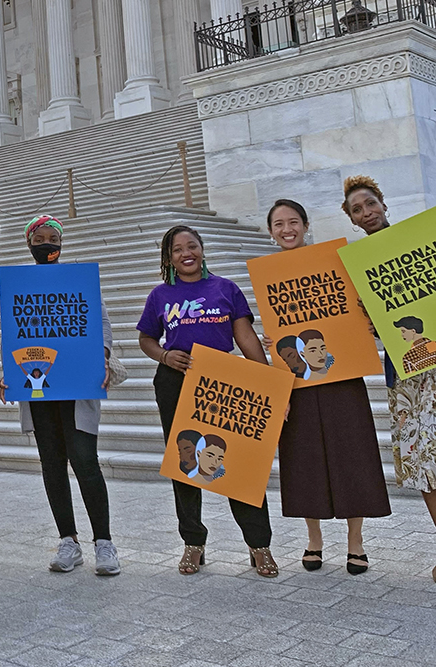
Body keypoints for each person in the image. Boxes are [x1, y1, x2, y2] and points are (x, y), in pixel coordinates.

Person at [137, 225, 278, 577]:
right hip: (175, 382)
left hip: (224, 381)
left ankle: (259, 545)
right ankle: (193, 543)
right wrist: (165, 356)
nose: (187, 253)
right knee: (185, 463)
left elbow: (245, 338)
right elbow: (146, 339)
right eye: (177, 249)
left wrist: (269, 382)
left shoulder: (225, 288)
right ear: (168, 258)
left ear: (202, 249)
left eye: (192, 246)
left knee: (241, 463)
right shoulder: (160, 294)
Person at [262, 198, 390, 575]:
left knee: (352, 453)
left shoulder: (334, 260)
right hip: (298, 380)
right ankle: (314, 539)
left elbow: (357, 305)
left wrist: (364, 321)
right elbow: (275, 327)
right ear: (271, 232)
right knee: (304, 460)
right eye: (279, 224)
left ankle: (356, 541)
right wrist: (272, 342)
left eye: (293, 222)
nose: (287, 229)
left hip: (342, 374)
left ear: (304, 224)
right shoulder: (267, 273)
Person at [0, 215, 120, 575]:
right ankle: (68, 540)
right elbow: (15, 334)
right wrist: (10, 374)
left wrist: (104, 353)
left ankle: (104, 542)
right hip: (39, 389)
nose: (47, 243)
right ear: (29, 243)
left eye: (53, 237)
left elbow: (102, 323)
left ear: (62, 243)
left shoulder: (77, 281)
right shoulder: (20, 285)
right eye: (40, 237)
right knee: (51, 464)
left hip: (77, 386)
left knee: (84, 460)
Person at [343, 176, 436, 580]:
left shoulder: (422, 243)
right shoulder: (357, 267)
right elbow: (362, 326)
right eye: (357, 210)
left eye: (370, 203)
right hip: (406, 372)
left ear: (383, 202)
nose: (367, 213)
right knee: (423, 462)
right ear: (352, 220)